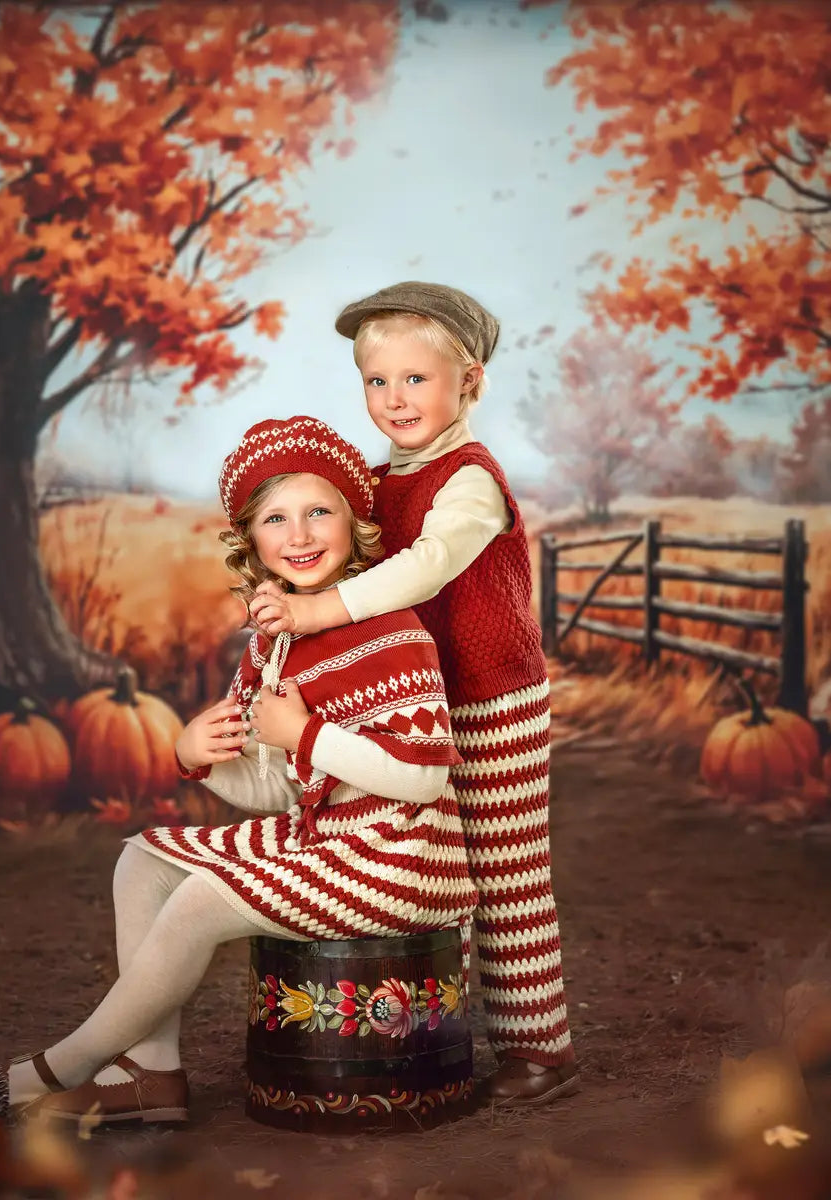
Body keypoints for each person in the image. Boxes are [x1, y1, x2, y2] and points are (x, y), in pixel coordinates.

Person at [0, 415, 478, 1125]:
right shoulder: (271, 646)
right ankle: (151, 1075)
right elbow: (277, 788)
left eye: (320, 511)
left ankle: (53, 1069)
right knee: (144, 860)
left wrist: (305, 732)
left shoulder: (390, 629)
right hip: (325, 841)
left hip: (400, 858)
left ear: (354, 525)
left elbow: (422, 779)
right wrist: (200, 758)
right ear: (250, 539)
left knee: (199, 900)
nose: (301, 534)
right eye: (276, 518)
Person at [249, 284, 578, 1106]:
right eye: (376, 382)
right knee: (436, 865)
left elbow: (427, 565)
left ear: (467, 381)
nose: (394, 400)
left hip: (489, 700)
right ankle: (438, 1040)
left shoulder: (468, 482)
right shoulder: (374, 481)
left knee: (504, 872)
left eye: (415, 380)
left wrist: (323, 607)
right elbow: (331, 543)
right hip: (411, 705)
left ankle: (539, 1045)